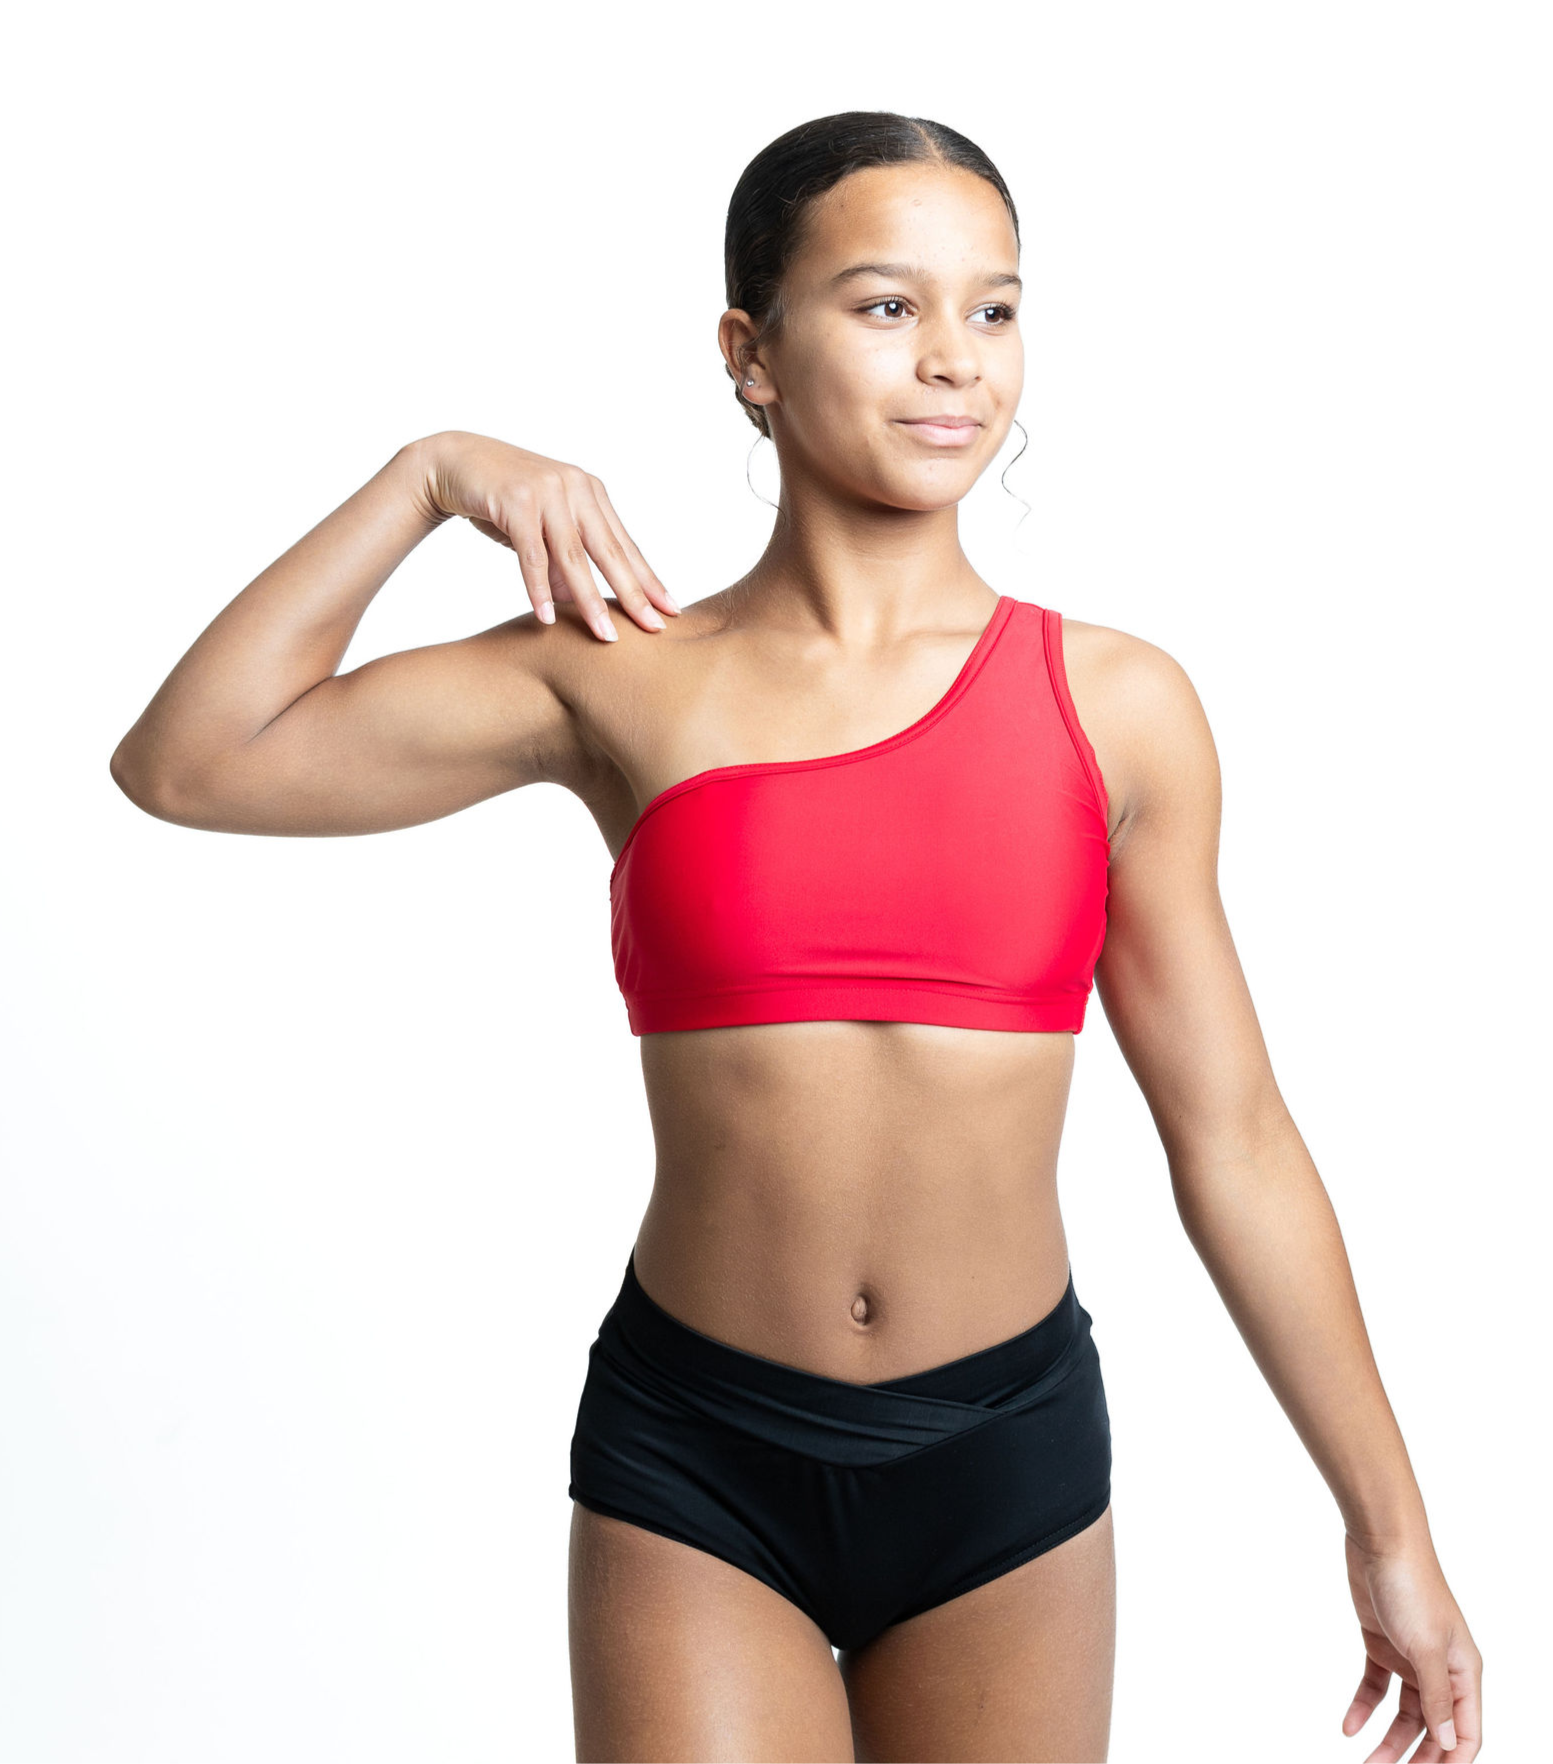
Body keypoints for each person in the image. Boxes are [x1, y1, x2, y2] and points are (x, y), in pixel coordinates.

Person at [110, 111, 1482, 1764]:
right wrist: (430, 476)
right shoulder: (618, 673)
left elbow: (1238, 1140)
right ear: (749, 354)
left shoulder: (1118, 707)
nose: (955, 362)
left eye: (995, 309)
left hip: (1004, 1458)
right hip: (699, 1451)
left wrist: (1386, 1524)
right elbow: (190, 762)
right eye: (886, 307)